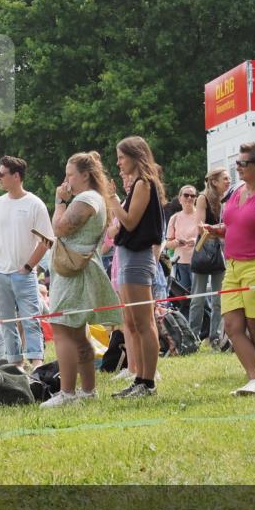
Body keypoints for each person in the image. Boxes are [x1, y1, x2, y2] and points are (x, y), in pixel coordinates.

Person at [202, 143, 255, 395]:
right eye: (236, 164)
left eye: (243, 163)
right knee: (232, 326)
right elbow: (233, 226)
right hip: (233, 266)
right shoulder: (236, 192)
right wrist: (218, 231)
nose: (237, 168)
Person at [40, 151, 123, 408]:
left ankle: (68, 393)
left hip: (73, 274)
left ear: (85, 175)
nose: (66, 181)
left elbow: (60, 228)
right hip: (78, 271)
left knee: (63, 330)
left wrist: (59, 202)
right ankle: (87, 391)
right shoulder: (95, 197)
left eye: (70, 175)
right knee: (77, 334)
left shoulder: (87, 198)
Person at [106, 136, 166, 398]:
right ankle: (139, 378)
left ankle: (147, 382)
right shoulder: (138, 186)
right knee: (132, 321)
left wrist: (113, 200)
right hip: (129, 256)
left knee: (144, 322)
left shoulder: (143, 183)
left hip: (139, 258)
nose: (118, 163)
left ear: (135, 156)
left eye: (121, 157)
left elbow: (129, 222)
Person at [0, 156, 53, 370]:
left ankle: (36, 362)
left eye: (1, 174)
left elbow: (46, 241)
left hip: (23, 274)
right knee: (6, 322)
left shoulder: (35, 204)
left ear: (16, 176)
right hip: (0, 273)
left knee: (30, 319)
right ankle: (15, 362)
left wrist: (27, 267)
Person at [191, 167, 231, 347]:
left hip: (221, 250)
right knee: (198, 297)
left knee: (218, 298)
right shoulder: (203, 198)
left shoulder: (228, 198)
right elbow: (200, 226)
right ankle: (192, 336)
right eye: (225, 178)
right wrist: (220, 229)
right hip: (205, 249)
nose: (229, 181)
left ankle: (215, 337)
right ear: (214, 182)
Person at [165, 185, 200, 292]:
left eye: (192, 195)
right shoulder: (174, 218)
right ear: (180, 199)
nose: (189, 198)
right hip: (180, 263)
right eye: (186, 195)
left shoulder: (201, 215)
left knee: (200, 297)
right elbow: (167, 243)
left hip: (198, 262)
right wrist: (176, 242)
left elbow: (208, 237)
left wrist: (196, 241)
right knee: (184, 297)